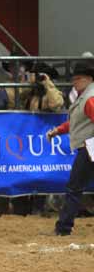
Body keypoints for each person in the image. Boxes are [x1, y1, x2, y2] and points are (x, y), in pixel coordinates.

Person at [47, 61, 94, 236]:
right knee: (76, 186)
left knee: (74, 187)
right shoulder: (85, 97)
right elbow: (76, 121)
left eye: (78, 79)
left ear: (89, 78)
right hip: (89, 147)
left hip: (89, 147)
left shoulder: (89, 98)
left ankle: (64, 227)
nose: (74, 82)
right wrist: (58, 130)